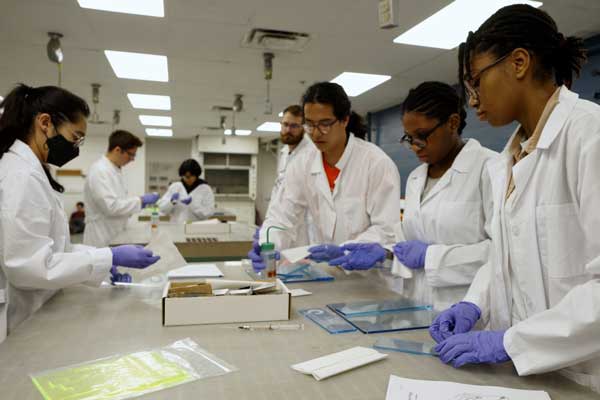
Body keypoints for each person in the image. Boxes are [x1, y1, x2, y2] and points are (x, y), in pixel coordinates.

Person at [428, 5, 600, 393]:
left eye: (475, 81)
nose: (471, 99)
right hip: (528, 377)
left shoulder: (590, 136)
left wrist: (509, 342)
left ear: (519, 62)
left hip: (585, 379)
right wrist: (474, 303)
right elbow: (503, 259)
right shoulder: (506, 159)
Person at [0, 84, 160, 343]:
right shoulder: (21, 175)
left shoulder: (30, 171)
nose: (76, 147)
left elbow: (54, 250)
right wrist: (107, 255)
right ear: (45, 123)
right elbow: (29, 267)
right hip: (23, 314)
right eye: (75, 137)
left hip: (38, 303)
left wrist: (104, 260)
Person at [335, 82, 497, 311]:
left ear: (453, 123)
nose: (415, 147)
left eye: (422, 135)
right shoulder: (415, 178)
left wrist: (431, 257)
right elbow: (409, 240)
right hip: (415, 308)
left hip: (470, 312)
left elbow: (502, 253)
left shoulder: (490, 169)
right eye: (409, 137)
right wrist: (387, 253)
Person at [249, 82, 401, 270]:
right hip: (327, 273)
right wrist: (267, 245)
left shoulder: (376, 163)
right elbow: (281, 217)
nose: (315, 133)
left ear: (344, 120)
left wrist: (344, 250)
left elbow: (387, 230)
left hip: (371, 277)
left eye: (325, 124)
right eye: (310, 125)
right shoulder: (302, 163)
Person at [83, 130, 159, 247]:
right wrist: (140, 201)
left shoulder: (114, 170)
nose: (133, 159)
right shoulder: (100, 171)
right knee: (104, 264)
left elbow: (119, 201)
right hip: (101, 235)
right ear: (117, 150)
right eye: (131, 154)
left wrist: (138, 202)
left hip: (113, 232)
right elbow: (111, 207)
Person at [265, 104, 317, 246]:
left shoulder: (311, 154)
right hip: (281, 224)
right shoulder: (284, 153)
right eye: (285, 124)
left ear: (303, 128)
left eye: (294, 126)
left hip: (303, 231)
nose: (288, 130)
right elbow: (280, 191)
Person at [156, 159, 215, 223]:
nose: (187, 179)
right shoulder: (175, 187)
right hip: (176, 227)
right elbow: (162, 210)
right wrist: (171, 202)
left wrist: (192, 205)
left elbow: (208, 213)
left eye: (190, 176)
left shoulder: (205, 189)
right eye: (185, 176)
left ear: (196, 175)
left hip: (196, 228)